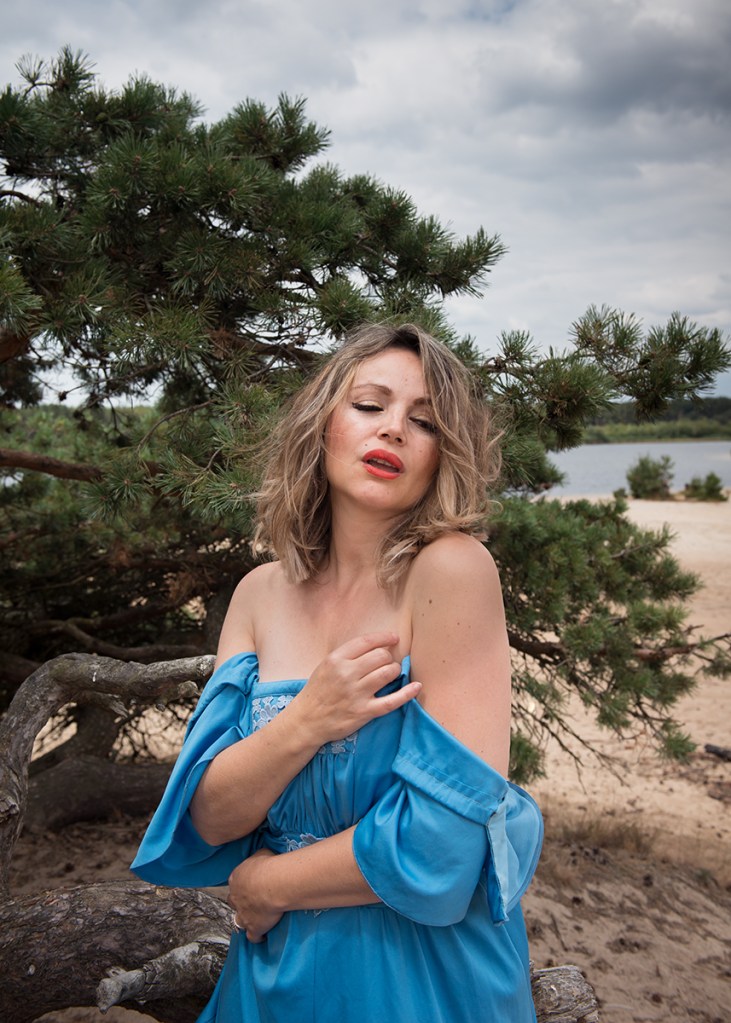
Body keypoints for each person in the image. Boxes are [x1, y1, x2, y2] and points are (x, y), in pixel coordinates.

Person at [132, 323, 543, 1023]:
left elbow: (445, 839)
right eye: (369, 405)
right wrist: (307, 720)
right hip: (274, 976)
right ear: (321, 422)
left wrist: (268, 883)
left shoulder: (452, 569)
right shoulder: (259, 593)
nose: (394, 430)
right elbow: (208, 816)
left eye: (424, 422)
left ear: (443, 455)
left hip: (418, 975)